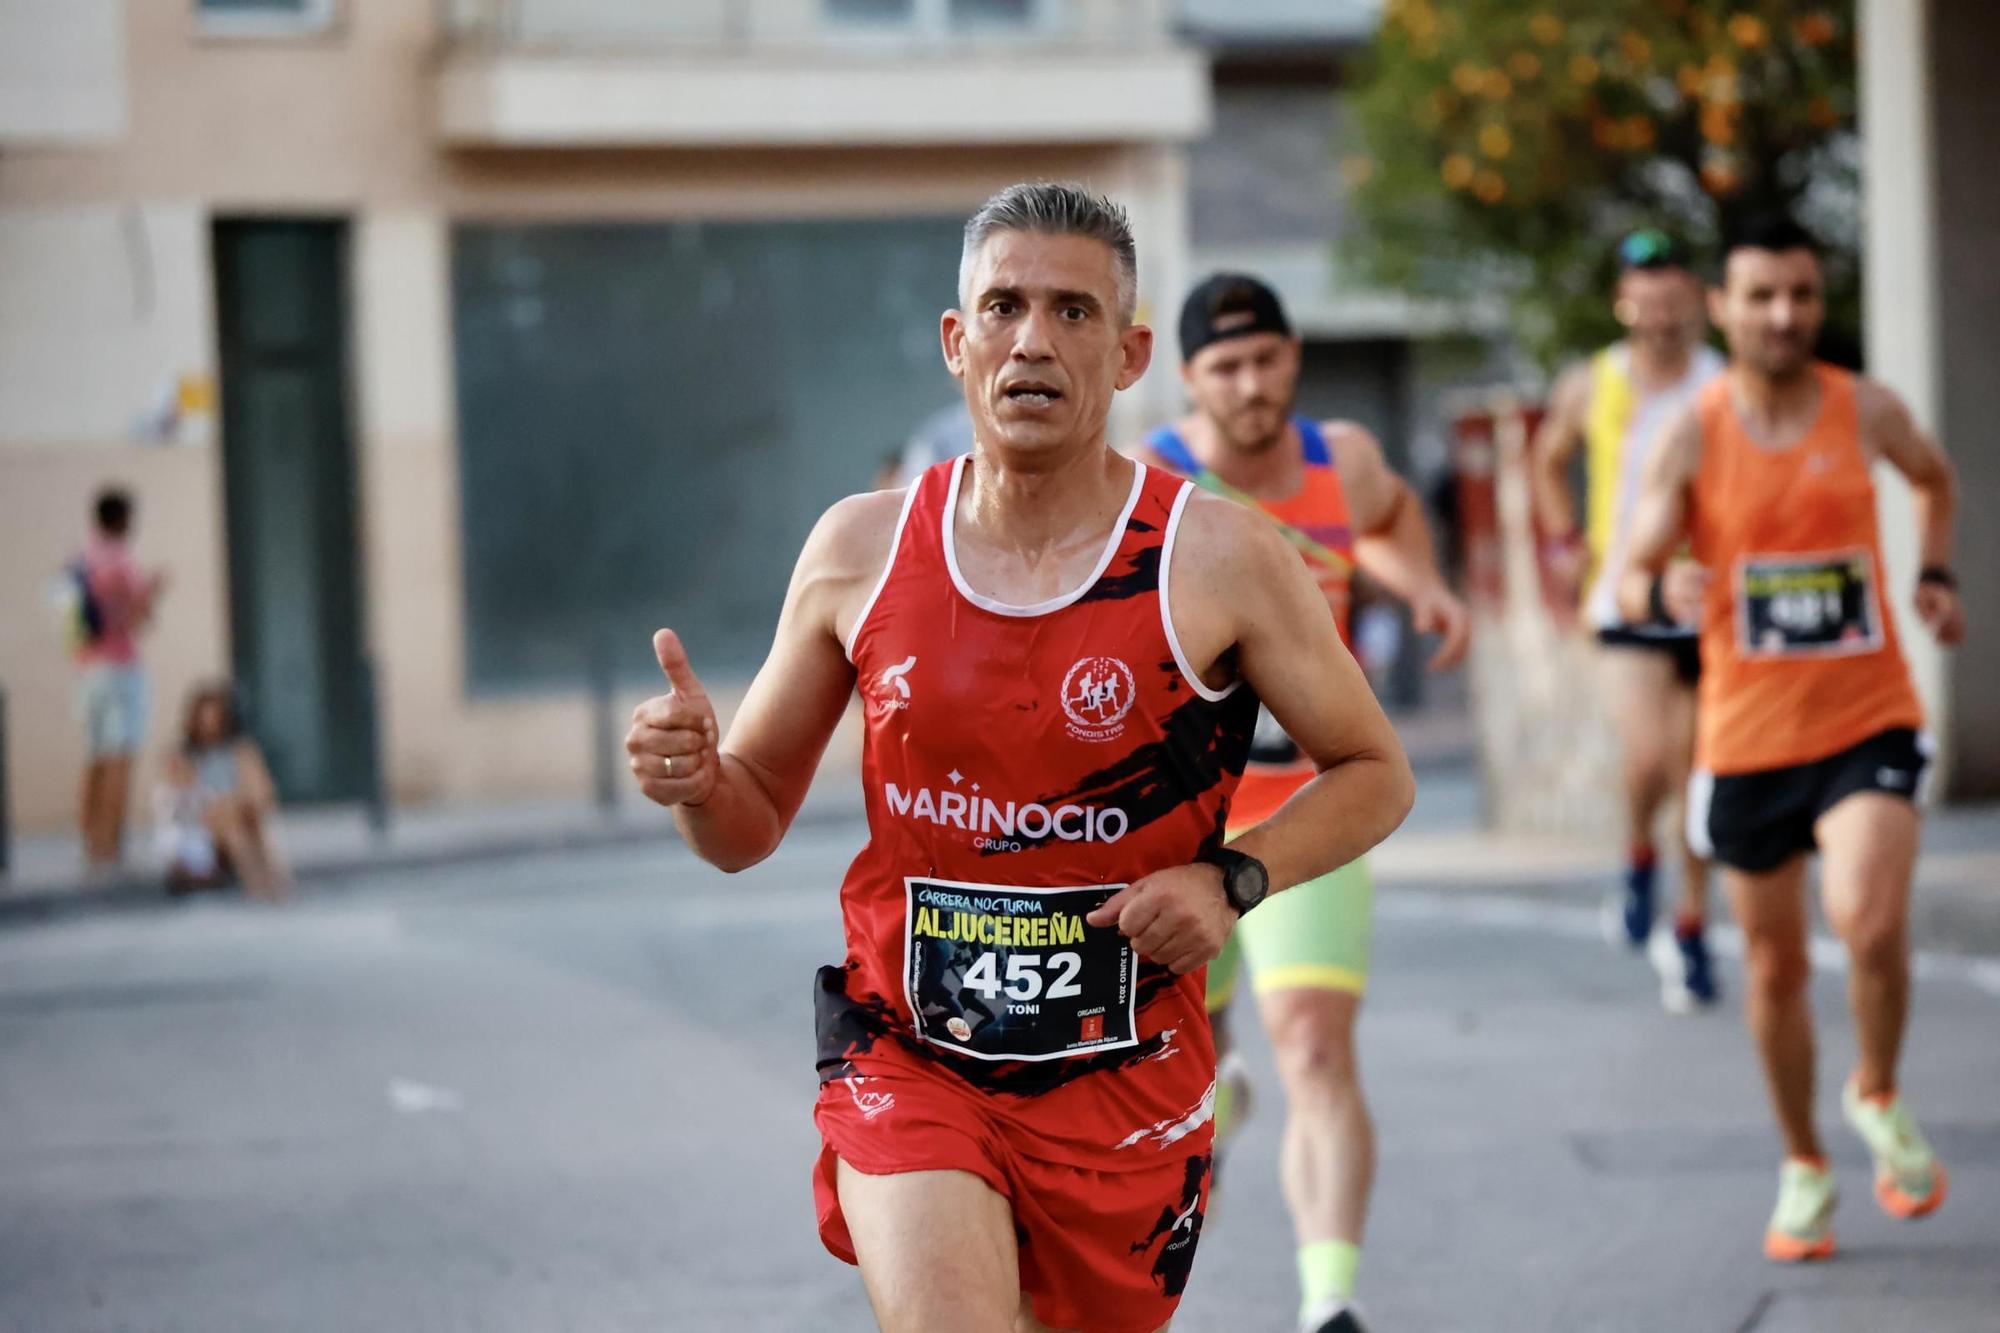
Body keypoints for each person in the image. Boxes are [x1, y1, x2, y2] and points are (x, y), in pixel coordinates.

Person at [626, 182, 1415, 1333]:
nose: (1032, 339)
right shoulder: (860, 549)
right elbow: (743, 824)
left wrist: (1229, 879)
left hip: (1126, 1084)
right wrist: (696, 781)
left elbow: (1372, 770)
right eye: (1000, 307)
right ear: (957, 343)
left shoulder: (1219, 557)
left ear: (1132, 350)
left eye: (1072, 312)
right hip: (913, 1057)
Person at [1619, 215, 1962, 1262]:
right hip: (1745, 738)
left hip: (1867, 719)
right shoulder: (1693, 429)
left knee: (1863, 919)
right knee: (1770, 971)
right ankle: (1803, 1160)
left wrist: (1933, 574)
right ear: (1723, 309)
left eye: (1800, 296)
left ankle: (1875, 1087)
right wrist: (1659, 580)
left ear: (1818, 302)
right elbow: (1634, 562)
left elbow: (1932, 480)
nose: (1783, 315)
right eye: (1760, 296)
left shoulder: (1864, 408)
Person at [1138, 273, 1469, 1333]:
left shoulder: (1344, 460)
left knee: (1316, 1044)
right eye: (1223, 368)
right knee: (1193, 1047)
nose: (1249, 384)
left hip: (1310, 813)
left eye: (1265, 358)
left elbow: (1393, 514)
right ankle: (1215, 1104)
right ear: (1187, 380)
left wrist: (1419, 584)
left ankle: (1329, 1300)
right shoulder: (1155, 482)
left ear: (1292, 358)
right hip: (1180, 821)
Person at [1530, 230, 1725, 1011]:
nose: (1665, 312)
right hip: (1625, 595)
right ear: (1626, 301)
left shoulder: (1722, 382)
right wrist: (1564, 542)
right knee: (1650, 759)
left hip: (1709, 597)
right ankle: (1640, 856)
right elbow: (1548, 457)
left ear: (1699, 302)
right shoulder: (1595, 381)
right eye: (1650, 296)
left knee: (1699, 775)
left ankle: (1689, 930)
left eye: (1678, 296)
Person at [73, 487, 167, 871]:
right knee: (120, 755)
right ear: (121, 519)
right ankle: (111, 845)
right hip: (120, 667)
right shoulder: (122, 563)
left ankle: (91, 840)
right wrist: (154, 592)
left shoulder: (83, 559)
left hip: (87, 669)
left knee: (95, 756)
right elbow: (137, 618)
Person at [158, 682, 289, 901]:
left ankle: (271, 883)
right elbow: (184, 801)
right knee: (232, 826)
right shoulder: (182, 756)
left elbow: (262, 792)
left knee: (249, 821)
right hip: (201, 825)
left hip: (240, 815)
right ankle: (263, 885)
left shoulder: (241, 751)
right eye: (204, 716)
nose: (209, 723)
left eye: (215, 716)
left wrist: (241, 803)